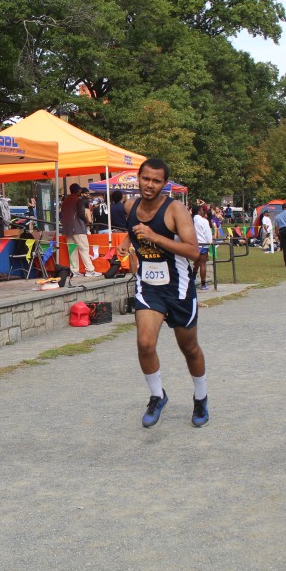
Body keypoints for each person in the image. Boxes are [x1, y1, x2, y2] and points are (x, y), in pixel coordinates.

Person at [121, 158, 208, 429]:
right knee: (145, 343)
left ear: (164, 184)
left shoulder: (175, 210)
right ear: (138, 178)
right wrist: (125, 241)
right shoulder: (129, 206)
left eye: (156, 181)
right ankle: (157, 396)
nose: (150, 185)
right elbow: (133, 230)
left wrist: (155, 237)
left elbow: (194, 251)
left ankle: (201, 398)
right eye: (146, 178)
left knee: (189, 348)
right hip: (149, 287)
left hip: (178, 288)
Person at [61, 183, 98, 277]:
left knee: (72, 250)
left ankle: (74, 271)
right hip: (78, 227)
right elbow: (81, 213)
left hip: (67, 229)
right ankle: (90, 270)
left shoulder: (65, 201)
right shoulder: (78, 200)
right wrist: (86, 221)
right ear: (78, 190)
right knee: (84, 248)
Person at [191, 204, 212, 290]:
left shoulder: (191, 220)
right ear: (199, 211)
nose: (203, 212)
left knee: (196, 262)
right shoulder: (204, 221)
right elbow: (207, 233)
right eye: (202, 210)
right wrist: (210, 242)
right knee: (202, 264)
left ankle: (193, 278)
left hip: (194, 244)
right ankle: (203, 284)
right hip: (203, 244)